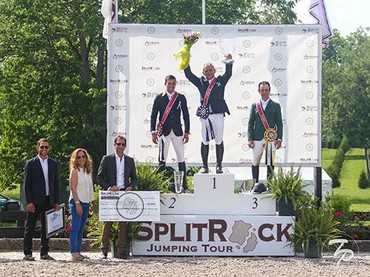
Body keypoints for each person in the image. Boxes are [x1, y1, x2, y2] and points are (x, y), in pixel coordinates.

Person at [184, 54, 233, 174]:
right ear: (203, 72)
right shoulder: (201, 82)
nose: (209, 72)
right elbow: (189, 75)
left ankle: (219, 165)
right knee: (205, 139)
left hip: (218, 114)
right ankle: (204, 166)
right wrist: (185, 61)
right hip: (204, 115)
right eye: (206, 71)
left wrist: (228, 61)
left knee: (219, 139)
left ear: (214, 71)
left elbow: (228, 74)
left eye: (210, 70)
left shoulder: (220, 80)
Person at [97, 135, 137, 259]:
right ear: (114, 145)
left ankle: (121, 252)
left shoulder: (130, 160)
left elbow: (134, 178)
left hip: (124, 194)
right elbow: (99, 178)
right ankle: (104, 251)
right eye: (118, 144)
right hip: (111, 194)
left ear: (125, 146)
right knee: (108, 222)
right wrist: (109, 188)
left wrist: (130, 186)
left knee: (123, 224)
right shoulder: (107, 159)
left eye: (123, 144)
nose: (120, 146)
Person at [150, 75, 190, 191]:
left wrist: (187, 131)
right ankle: (159, 185)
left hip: (177, 131)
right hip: (164, 131)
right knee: (162, 158)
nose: (171, 85)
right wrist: (153, 132)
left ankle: (184, 185)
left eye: (173, 83)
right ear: (165, 84)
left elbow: (186, 115)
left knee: (181, 157)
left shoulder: (181, 97)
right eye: (169, 83)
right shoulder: (159, 98)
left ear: (176, 84)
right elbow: (154, 115)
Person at [23, 138, 60, 261]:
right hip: (34, 201)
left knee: (46, 228)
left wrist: (56, 201)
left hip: (49, 200)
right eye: (42, 147)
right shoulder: (31, 163)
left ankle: (44, 253)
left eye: (46, 147)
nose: (44, 149)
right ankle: (27, 253)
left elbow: (56, 184)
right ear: (37, 147)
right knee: (30, 227)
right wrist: (28, 202)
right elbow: (27, 184)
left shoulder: (53, 164)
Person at [247, 81, 283, 182]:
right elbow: (250, 123)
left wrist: (279, 138)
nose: (264, 92)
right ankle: (255, 183)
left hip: (271, 137)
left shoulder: (275, 105)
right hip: (257, 137)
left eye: (266, 90)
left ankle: (270, 185)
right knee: (255, 161)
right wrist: (249, 138)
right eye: (262, 90)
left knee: (270, 161)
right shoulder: (255, 105)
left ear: (269, 90)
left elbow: (279, 123)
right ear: (259, 91)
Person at [68, 148, 94, 261]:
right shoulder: (75, 171)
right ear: (75, 159)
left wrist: (91, 202)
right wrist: (77, 203)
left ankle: (78, 252)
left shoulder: (87, 171)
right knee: (75, 227)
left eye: (83, 156)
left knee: (81, 229)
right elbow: (73, 188)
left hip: (86, 202)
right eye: (79, 157)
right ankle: (74, 252)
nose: (81, 159)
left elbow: (90, 189)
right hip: (76, 202)